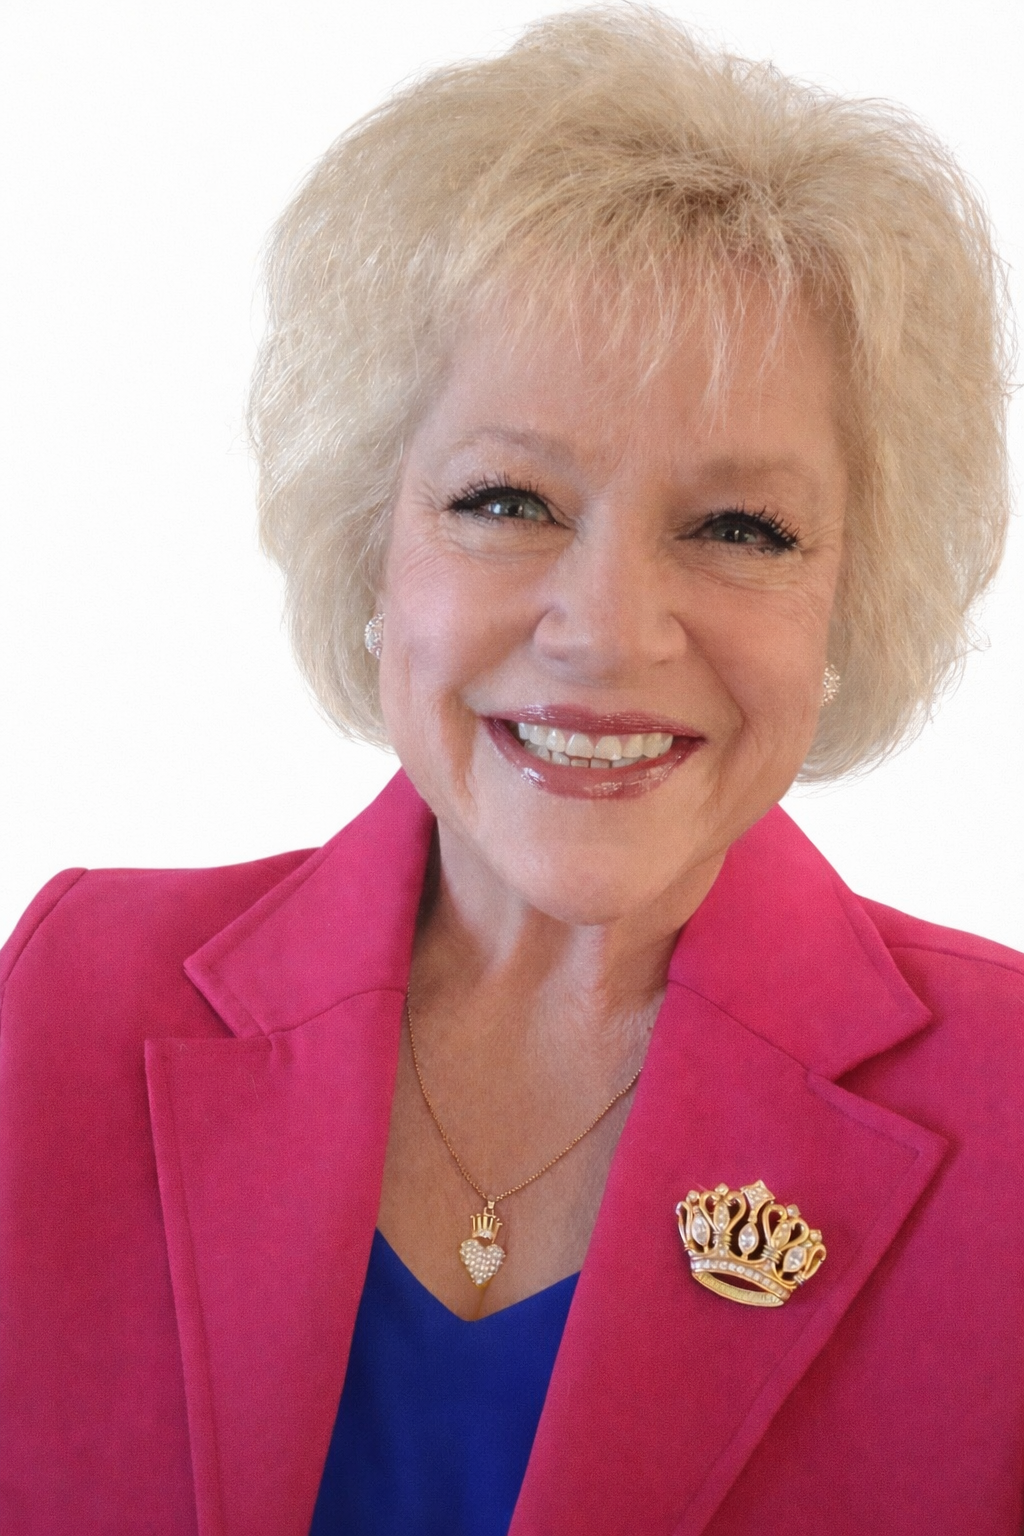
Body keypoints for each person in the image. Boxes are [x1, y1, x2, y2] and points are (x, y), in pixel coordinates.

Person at [2, 7, 1021, 1534]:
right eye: (508, 500)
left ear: (853, 597)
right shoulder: (74, 992)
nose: (606, 633)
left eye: (740, 528)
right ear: (372, 536)